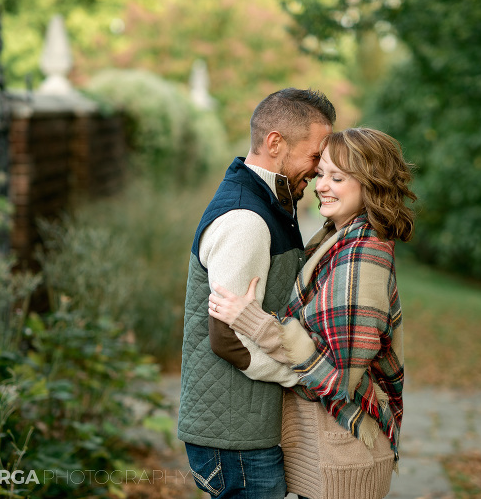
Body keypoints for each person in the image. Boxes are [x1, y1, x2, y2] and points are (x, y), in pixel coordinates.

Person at [208, 127, 416, 499]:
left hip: (345, 455)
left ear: (371, 185)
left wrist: (255, 323)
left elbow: (339, 376)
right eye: (321, 174)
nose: (322, 186)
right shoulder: (336, 240)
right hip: (328, 448)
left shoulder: (361, 255)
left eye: (338, 177)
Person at [178, 87, 337, 498]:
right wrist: (303, 377)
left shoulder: (272, 204)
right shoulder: (246, 219)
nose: (319, 171)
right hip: (234, 439)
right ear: (275, 143)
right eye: (316, 156)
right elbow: (226, 338)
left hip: (244, 430)